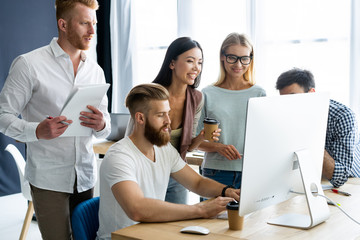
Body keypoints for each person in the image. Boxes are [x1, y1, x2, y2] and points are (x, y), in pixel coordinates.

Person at [0, 0, 110, 239]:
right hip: (49, 180)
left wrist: (102, 124)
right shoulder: (28, 65)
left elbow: (104, 127)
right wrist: (37, 131)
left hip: (86, 177)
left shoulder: (96, 70)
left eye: (94, 23)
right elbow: (2, 116)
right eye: (84, 23)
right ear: (63, 24)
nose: (92, 31)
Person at [97, 83, 239, 239]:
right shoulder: (119, 156)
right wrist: (201, 210)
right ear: (140, 118)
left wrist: (228, 191)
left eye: (168, 113)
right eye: (160, 115)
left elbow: (197, 183)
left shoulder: (164, 149)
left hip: (152, 234)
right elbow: (137, 208)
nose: (168, 121)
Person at [125, 37, 220, 204]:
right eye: (190, 61)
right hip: (146, 171)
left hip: (177, 174)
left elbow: (187, 146)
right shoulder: (151, 95)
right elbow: (132, 140)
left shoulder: (196, 98)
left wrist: (202, 137)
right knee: (144, 225)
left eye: (200, 62)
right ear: (172, 63)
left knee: (176, 227)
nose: (196, 68)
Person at [196, 33, 266, 189]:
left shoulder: (259, 94)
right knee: (212, 215)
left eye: (244, 58)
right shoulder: (207, 93)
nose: (238, 64)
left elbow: (265, 139)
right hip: (215, 172)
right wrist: (218, 148)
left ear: (251, 58)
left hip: (251, 172)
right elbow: (194, 141)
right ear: (222, 57)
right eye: (232, 57)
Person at [276, 68, 360, 187]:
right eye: (284, 100)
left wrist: (310, 137)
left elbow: (340, 178)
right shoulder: (286, 115)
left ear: (312, 93)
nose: (288, 106)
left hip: (352, 182)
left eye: (293, 98)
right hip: (314, 178)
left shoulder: (342, 116)